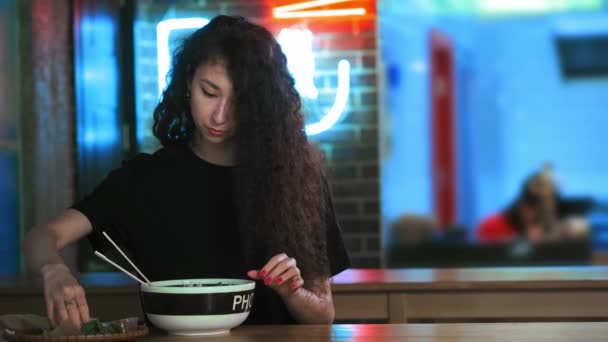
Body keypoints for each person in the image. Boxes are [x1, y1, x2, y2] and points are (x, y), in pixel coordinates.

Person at [22, 15, 350, 328]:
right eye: (209, 92)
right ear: (188, 81)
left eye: (239, 102)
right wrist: (55, 271)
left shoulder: (295, 181)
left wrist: (292, 291)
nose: (220, 116)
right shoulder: (144, 180)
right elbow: (42, 237)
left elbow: (323, 314)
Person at [476, 165, 557, 243]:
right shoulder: (492, 225)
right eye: (532, 204)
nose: (534, 214)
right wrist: (523, 239)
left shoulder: (550, 228)